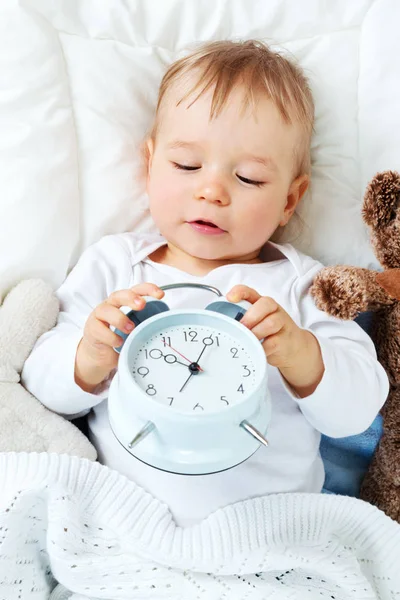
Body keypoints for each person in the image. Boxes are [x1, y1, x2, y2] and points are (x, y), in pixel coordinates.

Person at [22, 40, 388, 527]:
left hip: (273, 529)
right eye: (187, 166)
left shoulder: (305, 287)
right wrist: (89, 355)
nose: (211, 191)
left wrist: (301, 355)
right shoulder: (117, 266)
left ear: (289, 200)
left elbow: (359, 413)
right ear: (149, 165)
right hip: (122, 524)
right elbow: (42, 388)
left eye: (249, 178)